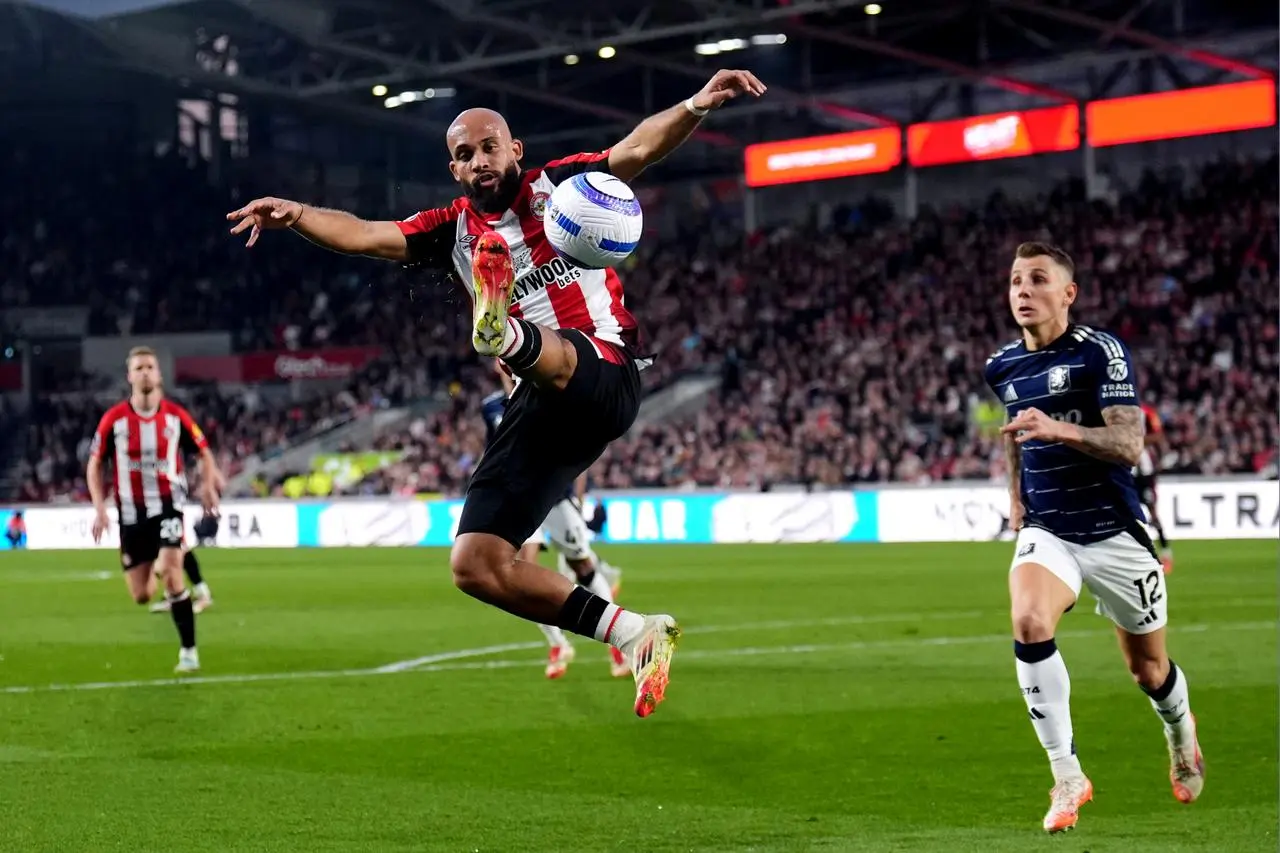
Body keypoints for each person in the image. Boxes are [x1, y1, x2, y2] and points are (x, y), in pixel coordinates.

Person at [226, 68, 767, 717]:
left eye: (489, 147)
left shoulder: (561, 186)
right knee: (476, 562)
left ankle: (501, 331)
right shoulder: (450, 227)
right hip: (541, 404)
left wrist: (696, 104)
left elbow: (639, 148)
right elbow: (366, 234)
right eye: (465, 154)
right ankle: (635, 632)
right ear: (454, 169)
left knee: (546, 353)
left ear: (516, 149)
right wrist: (298, 215)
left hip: (604, 366)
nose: (479, 160)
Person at [985, 242, 1204, 834]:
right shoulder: (1001, 365)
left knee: (1149, 670)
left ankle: (1180, 731)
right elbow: (1015, 429)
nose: (1023, 290)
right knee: (1029, 620)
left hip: (1113, 532)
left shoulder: (1100, 352)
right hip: (1049, 528)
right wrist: (1015, 497)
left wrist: (1058, 428)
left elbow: (1129, 444)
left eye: (1037, 279)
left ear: (1068, 293)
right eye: (1015, 280)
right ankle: (1067, 775)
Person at [483, 364, 628, 680]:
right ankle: (558, 644)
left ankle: (618, 641)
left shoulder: (549, 395)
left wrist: (578, 496)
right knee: (517, 573)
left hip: (553, 496)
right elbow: (492, 452)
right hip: (517, 499)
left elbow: (579, 450)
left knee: (584, 567)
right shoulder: (491, 407)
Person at [87, 347, 223, 673]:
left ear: (159, 374)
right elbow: (95, 464)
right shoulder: (114, 420)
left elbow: (204, 452)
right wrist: (100, 508)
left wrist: (208, 486)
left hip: (167, 506)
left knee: (173, 574)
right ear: (129, 376)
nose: (145, 372)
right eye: (139, 368)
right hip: (131, 515)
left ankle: (188, 652)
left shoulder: (176, 416)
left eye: (150, 366)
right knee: (142, 595)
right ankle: (165, 570)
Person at [1136, 403, 1173, 573]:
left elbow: (1158, 435)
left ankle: (1166, 554)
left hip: (1145, 472)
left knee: (1153, 512)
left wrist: (1136, 441)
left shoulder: (1147, 412)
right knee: (1127, 515)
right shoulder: (1114, 409)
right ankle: (1138, 556)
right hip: (1125, 471)